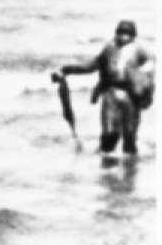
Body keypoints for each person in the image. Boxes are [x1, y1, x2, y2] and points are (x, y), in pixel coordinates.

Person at [55, 21, 155, 157]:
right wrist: (67, 69)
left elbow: (150, 72)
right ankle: (107, 168)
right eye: (120, 33)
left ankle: (130, 170)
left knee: (130, 136)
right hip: (110, 93)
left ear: (133, 36)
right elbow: (90, 66)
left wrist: (146, 92)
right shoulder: (109, 49)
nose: (123, 37)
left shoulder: (140, 50)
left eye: (127, 34)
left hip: (132, 96)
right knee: (109, 135)